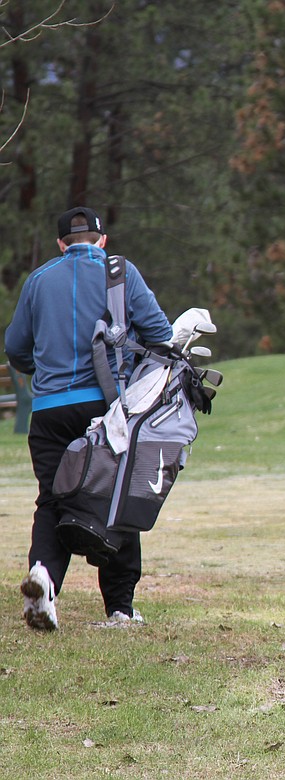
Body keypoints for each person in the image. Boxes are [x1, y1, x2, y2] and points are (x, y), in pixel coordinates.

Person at [5, 206, 173, 631]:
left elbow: (16, 348)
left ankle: (44, 577)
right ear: (102, 240)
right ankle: (119, 607)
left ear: (61, 244)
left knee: (52, 499)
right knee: (117, 497)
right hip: (105, 409)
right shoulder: (122, 273)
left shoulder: (38, 280)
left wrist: (43, 369)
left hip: (48, 412)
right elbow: (161, 335)